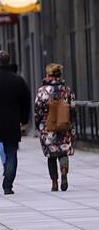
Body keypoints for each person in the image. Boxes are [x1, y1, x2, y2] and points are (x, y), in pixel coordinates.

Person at [0, 51, 31, 195]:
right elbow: (25, 101)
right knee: (11, 153)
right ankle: (8, 185)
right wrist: (24, 120)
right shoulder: (18, 80)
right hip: (11, 122)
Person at [35, 63, 76, 192]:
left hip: (48, 127)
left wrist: (38, 125)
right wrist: (72, 123)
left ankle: (54, 182)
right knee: (63, 152)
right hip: (64, 126)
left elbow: (38, 110)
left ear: (48, 75)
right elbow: (73, 108)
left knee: (51, 155)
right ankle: (64, 172)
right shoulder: (67, 90)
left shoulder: (43, 91)